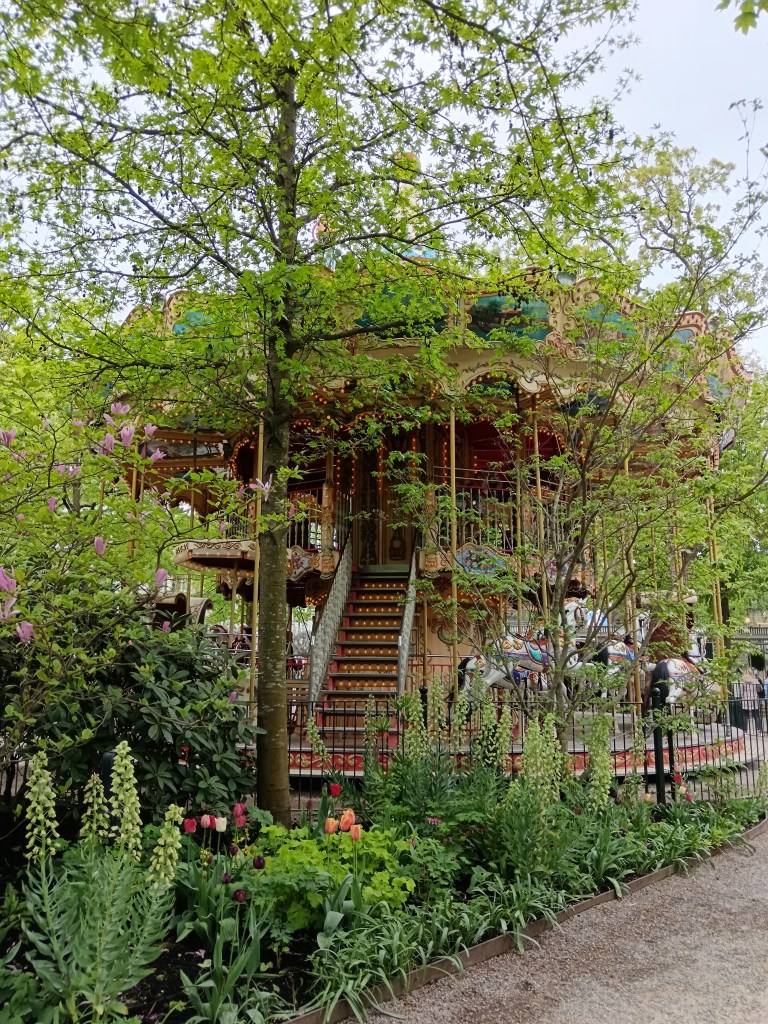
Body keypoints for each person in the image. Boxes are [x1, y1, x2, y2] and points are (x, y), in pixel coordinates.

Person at [741, 664, 764, 733]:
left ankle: (745, 731)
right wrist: (757, 690)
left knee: (745, 716)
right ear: (752, 673)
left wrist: (742, 697)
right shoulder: (755, 681)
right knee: (756, 715)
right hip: (754, 699)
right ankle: (759, 730)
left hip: (746, 699)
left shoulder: (743, 681)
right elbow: (760, 689)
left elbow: (741, 691)